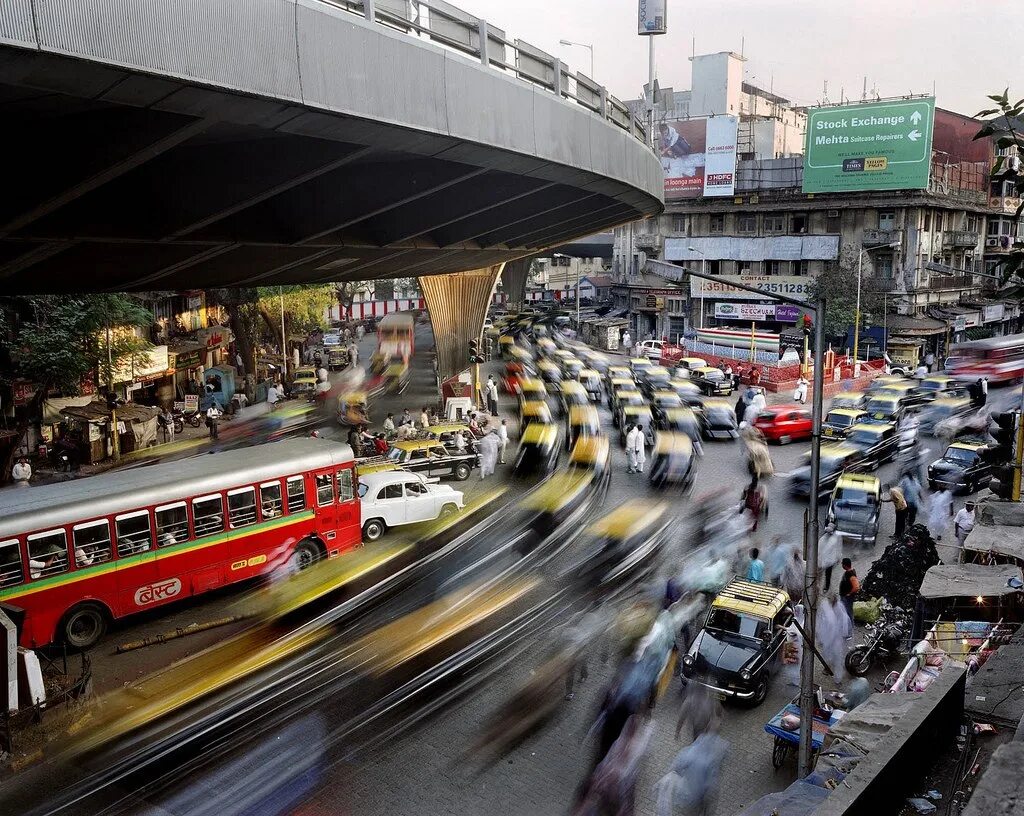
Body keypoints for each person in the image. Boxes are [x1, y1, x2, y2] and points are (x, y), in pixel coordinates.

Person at [819, 522, 842, 592]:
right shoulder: (823, 538)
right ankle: (819, 585)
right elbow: (819, 547)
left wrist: (838, 557)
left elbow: (839, 548)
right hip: (823, 559)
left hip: (830, 560)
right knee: (820, 574)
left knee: (828, 575)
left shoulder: (836, 538)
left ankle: (826, 587)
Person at [839, 557, 860, 626]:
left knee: (848, 612)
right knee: (845, 611)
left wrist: (849, 593)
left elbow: (856, 587)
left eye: (842, 564)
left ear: (845, 565)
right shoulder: (848, 573)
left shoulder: (851, 575)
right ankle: (846, 625)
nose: (842, 565)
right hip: (845, 596)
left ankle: (849, 627)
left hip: (847, 598)